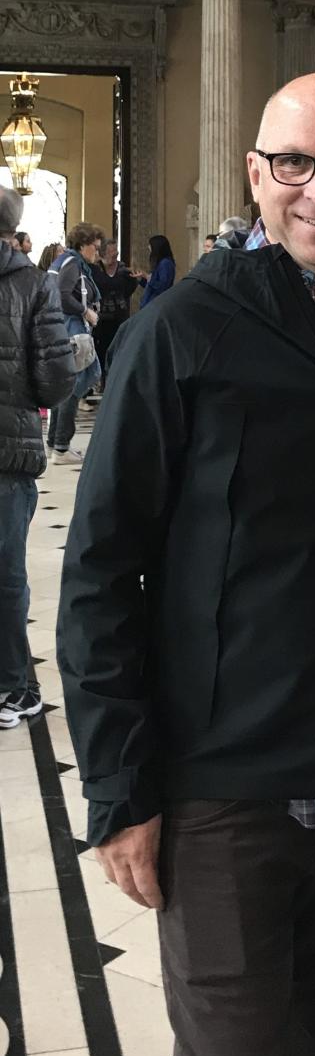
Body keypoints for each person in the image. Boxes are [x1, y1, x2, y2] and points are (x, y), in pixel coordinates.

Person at [58, 72, 315, 1056]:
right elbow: (103, 570)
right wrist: (119, 787)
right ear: (255, 175)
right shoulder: (183, 332)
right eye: (294, 163)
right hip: (222, 791)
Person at [0, 186, 75, 730]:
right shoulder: (34, 285)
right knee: (6, 576)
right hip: (9, 450)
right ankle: (14, 689)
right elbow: (53, 384)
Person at [47, 222, 104, 464]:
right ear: (83, 245)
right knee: (76, 383)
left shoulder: (64, 262)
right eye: (95, 247)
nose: (97, 253)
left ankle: (55, 443)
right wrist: (86, 312)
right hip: (72, 331)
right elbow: (62, 295)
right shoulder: (72, 263)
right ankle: (61, 445)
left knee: (66, 386)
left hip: (61, 330)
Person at [91, 239, 139, 388]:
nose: (116, 253)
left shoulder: (123, 269)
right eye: (112, 251)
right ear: (103, 253)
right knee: (100, 349)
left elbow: (130, 285)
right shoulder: (95, 269)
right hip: (101, 317)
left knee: (119, 347)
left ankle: (115, 380)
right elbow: (102, 285)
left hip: (119, 315)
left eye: (116, 250)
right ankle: (101, 380)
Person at [137, 234, 175, 307]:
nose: (148, 247)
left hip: (157, 304)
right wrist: (140, 278)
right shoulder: (160, 263)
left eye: (150, 245)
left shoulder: (165, 263)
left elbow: (162, 286)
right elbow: (151, 285)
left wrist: (147, 277)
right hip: (151, 303)